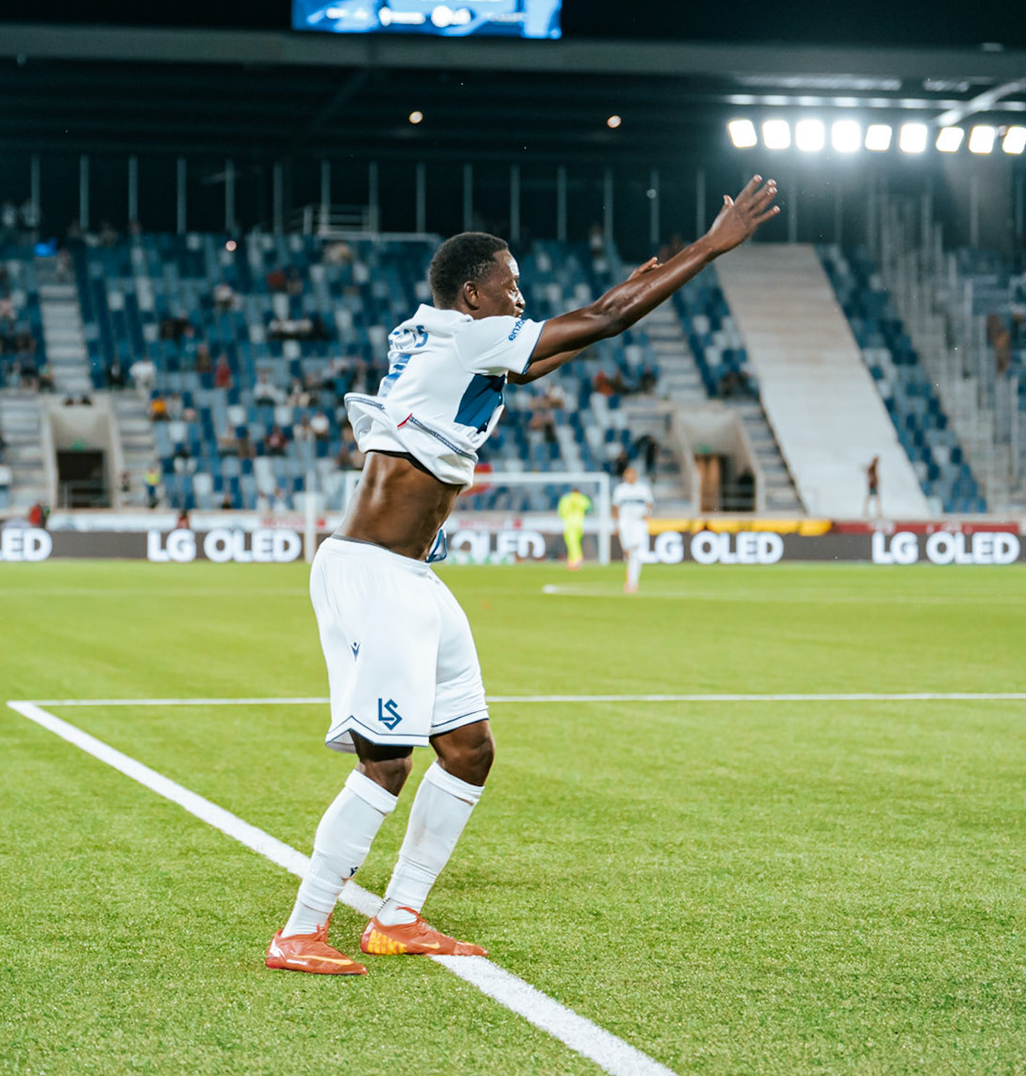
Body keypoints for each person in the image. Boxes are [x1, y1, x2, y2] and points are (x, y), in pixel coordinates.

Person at [267, 176, 779, 976]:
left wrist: (645, 280)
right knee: (387, 759)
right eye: (510, 288)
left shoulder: (453, 335)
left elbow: (577, 335)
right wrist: (709, 248)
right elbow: (602, 321)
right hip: (371, 573)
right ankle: (299, 930)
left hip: (412, 577)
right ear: (473, 295)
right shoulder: (467, 338)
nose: (521, 299)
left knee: (468, 749)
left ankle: (398, 916)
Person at [611, 464, 654, 594]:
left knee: (635, 552)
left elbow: (649, 504)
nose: (631, 476)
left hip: (638, 523)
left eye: (633, 474)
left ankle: (632, 582)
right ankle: (631, 578)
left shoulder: (643, 489)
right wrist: (616, 524)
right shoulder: (620, 490)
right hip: (625, 523)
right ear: (625, 476)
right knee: (629, 552)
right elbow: (616, 508)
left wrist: (648, 514)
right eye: (628, 474)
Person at [555, 485, 592, 571]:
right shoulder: (582, 498)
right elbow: (589, 507)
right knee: (575, 543)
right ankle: (572, 561)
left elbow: (561, 512)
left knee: (571, 543)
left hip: (569, 524)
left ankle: (577, 559)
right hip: (579, 524)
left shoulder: (566, 499)